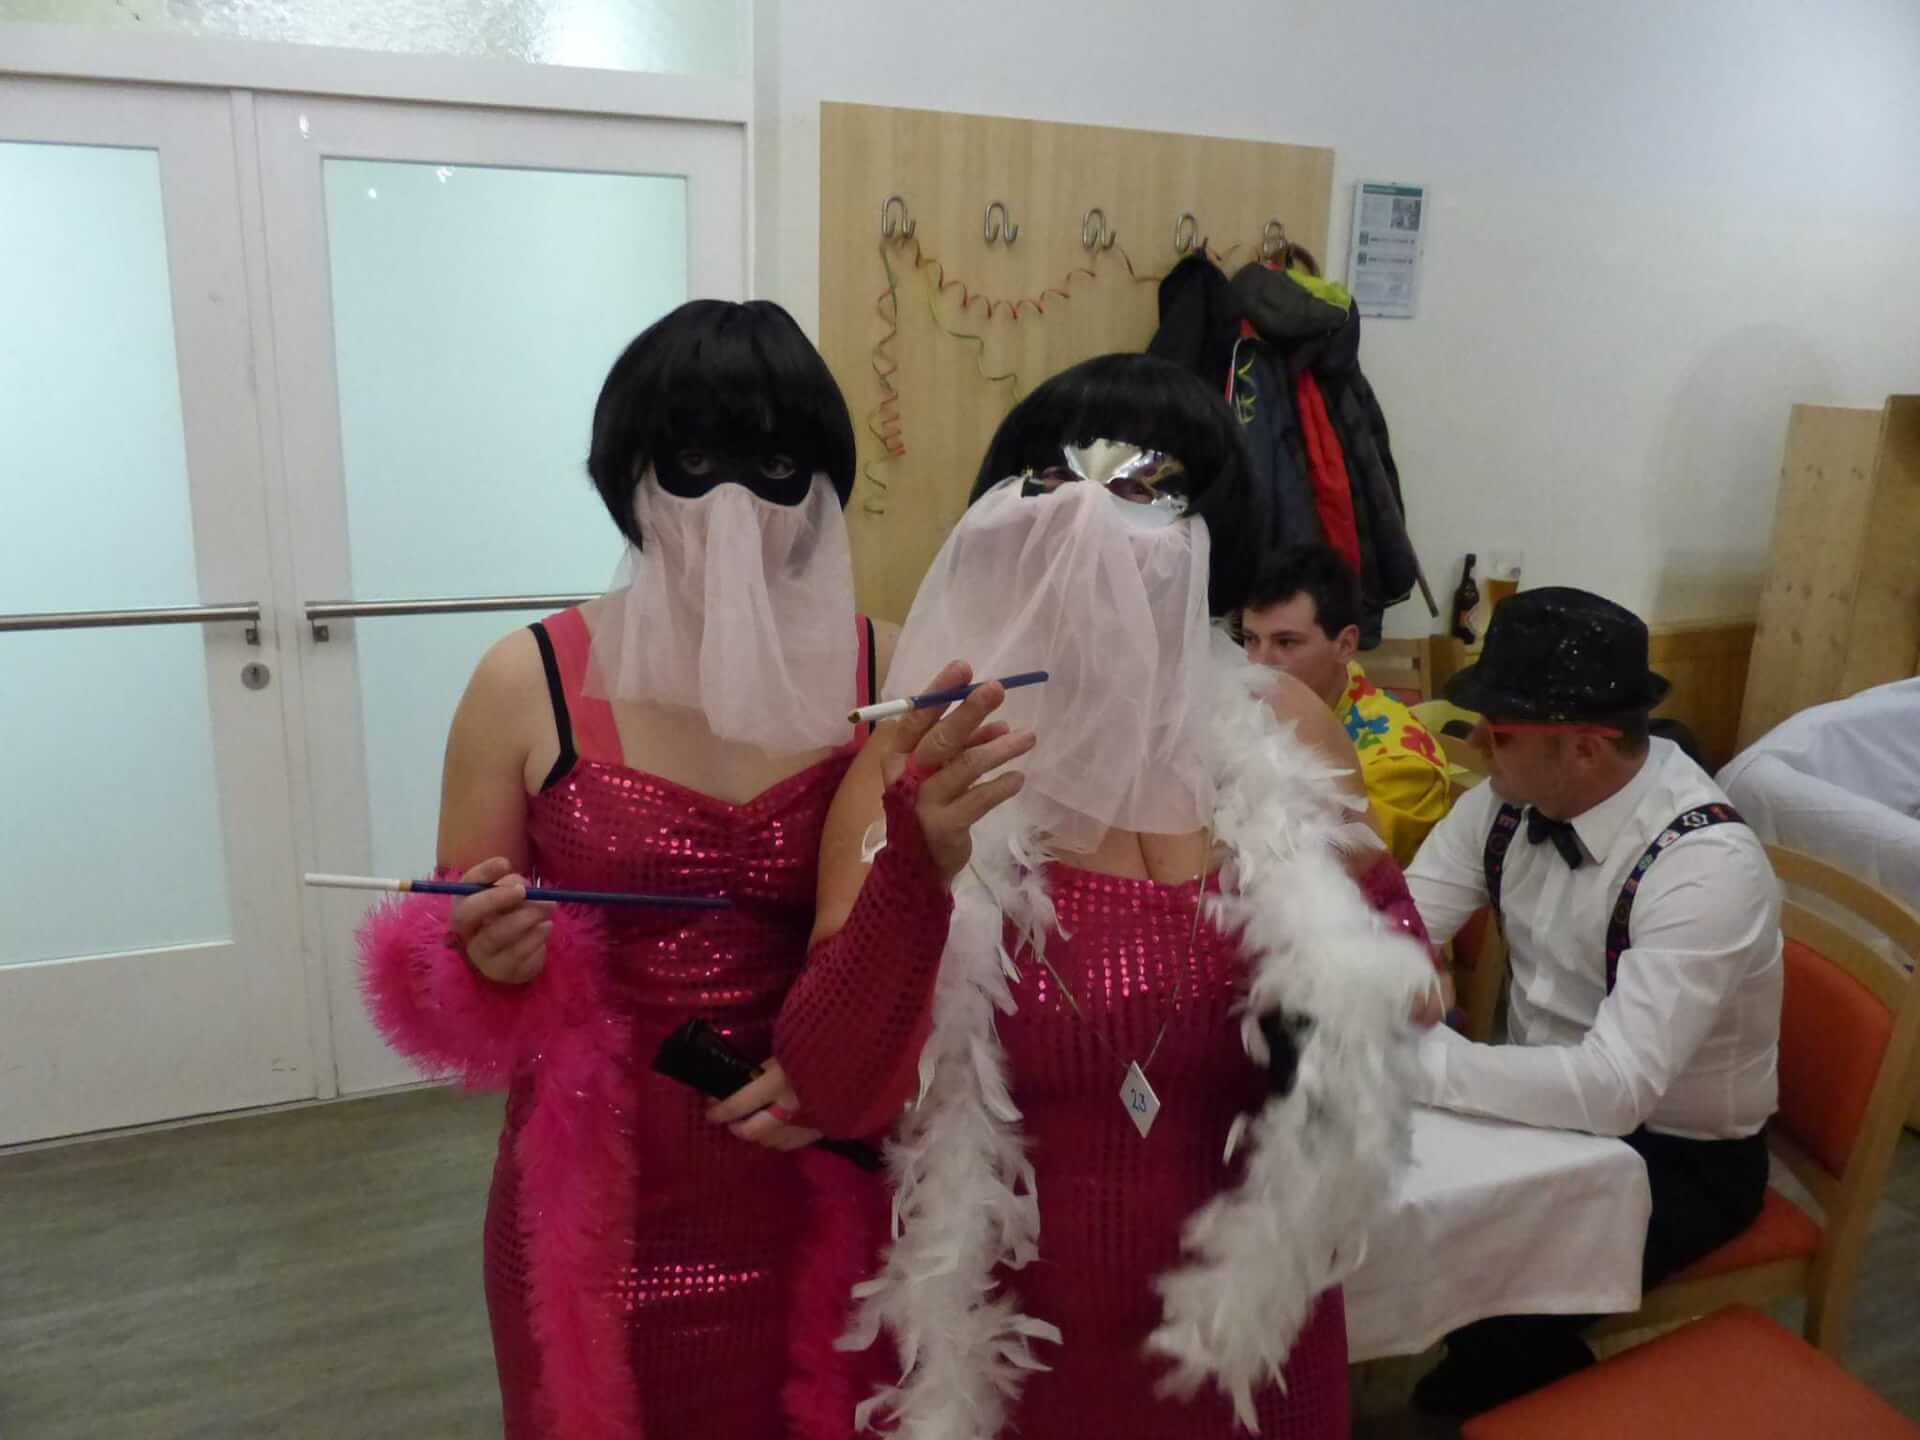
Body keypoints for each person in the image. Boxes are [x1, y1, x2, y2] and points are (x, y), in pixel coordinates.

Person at [723, 354, 1437, 1439]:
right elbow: (835, 1084)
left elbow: (1401, 971)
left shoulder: (1287, 730)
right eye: (1053, 484)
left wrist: (1376, 989)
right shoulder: (926, 753)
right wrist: (917, 867)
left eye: (1146, 489)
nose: (1094, 526)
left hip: (1252, 1334)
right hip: (1015, 1353)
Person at [356, 299, 896, 1440]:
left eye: (776, 466)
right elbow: (451, 963)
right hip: (597, 1195)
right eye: (695, 462)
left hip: (821, 1177)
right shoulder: (526, 681)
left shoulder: (885, 675)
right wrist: (490, 959)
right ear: (631, 472)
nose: (735, 507)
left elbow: (935, 939)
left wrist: (858, 1074)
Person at [1402, 587, 1783, 1418]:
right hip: (1547, 1103)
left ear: (1584, 747)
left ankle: (1537, 1393)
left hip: (1681, 1154)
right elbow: (1397, 920)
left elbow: (1615, 1090)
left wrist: (1424, 1067)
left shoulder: (1705, 867)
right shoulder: (1508, 802)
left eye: (1499, 732)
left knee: (1477, 1261)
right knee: (1406, 1205)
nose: (1477, 747)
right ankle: (1497, 1375)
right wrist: (1392, 966)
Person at [1239, 543, 1451, 864]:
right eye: (1250, 639)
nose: (1259, 663)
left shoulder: (1401, 765)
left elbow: (1328, 870)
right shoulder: (1254, 711)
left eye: (1286, 642)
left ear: (1346, 645)